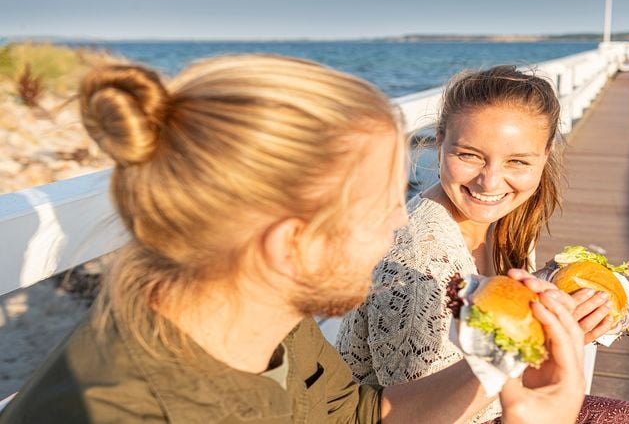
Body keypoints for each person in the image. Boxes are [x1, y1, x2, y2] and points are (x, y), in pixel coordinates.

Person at [0, 56, 588, 423]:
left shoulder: (266, 316)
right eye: (382, 199)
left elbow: (359, 414)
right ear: (290, 244)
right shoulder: (121, 408)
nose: (399, 220)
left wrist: (496, 366)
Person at [336, 65, 629, 423]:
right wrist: (545, 343)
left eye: (517, 161)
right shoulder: (420, 263)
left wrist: (579, 310)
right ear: (440, 140)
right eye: (469, 155)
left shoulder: (500, 220)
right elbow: (426, 412)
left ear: (546, 154)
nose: (489, 183)